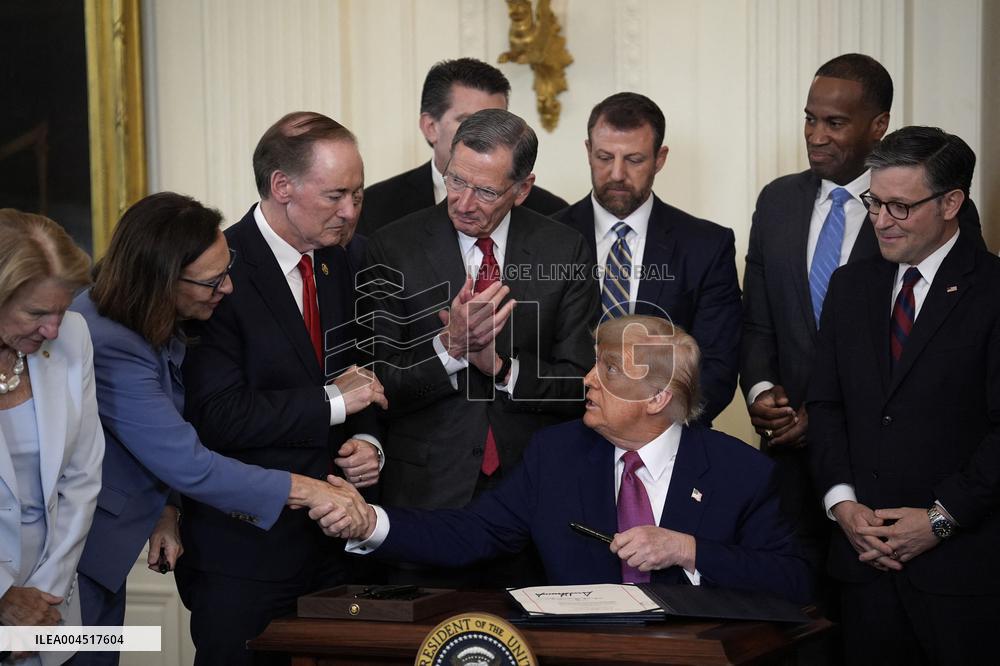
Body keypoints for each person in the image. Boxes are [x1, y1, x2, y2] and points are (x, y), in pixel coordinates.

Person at [313, 316, 810, 604]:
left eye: (609, 371)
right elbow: (469, 533)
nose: (588, 380)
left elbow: (793, 579)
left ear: (657, 398)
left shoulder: (740, 472)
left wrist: (689, 550)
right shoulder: (556, 454)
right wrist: (368, 524)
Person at [66, 192, 366, 666]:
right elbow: (188, 461)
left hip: (105, 556)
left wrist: (166, 509)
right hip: (71, 565)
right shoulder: (110, 343)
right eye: (213, 281)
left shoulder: (144, 316)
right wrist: (307, 491)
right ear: (162, 280)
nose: (228, 289)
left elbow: (148, 437)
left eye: (229, 269)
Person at [740, 54, 985, 581]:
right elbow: (761, 323)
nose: (817, 135)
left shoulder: (964, 258)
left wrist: (940, 519)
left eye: (835, 122)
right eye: (810, 119)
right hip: (819, 490)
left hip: (931, 522)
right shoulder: (787, 210)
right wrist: (765, 393)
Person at [178, 113, 387, 665]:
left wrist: (369, 442)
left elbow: (359, 374)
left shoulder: (347, 259)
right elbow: (218, 415)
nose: (350, 211)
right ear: (282, 187)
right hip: (244, 556)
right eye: (337, 194)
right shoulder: (216, 269)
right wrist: (336, 403)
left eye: (358, 193)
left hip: (335, 551)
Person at [361, 108, 596, 586]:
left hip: (531, 496)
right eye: (455, 181)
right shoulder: (393, 246)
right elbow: (378, 378)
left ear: (522, 188)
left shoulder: (563, 248)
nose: (463, 202)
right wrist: (450, 346)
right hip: (425, 497)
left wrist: (503, 369)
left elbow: (580, 383)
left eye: (486, 191)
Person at [807, 126, 1000, 664]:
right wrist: (841, 503)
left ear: (951, 202)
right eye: (875, 201)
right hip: (862, 568)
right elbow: (825, 406)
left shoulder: (992, 291)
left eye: (900, 206)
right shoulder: (851, 287)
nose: (880, 220)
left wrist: (940, 519)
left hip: (963, 576)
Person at [554, 92, 741, 426]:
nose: (616, 174)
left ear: (660, 158)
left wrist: (650, 430)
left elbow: (717, 366)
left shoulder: (706, 246)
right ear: (588, 152)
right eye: (604, 157)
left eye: (635, 160)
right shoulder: (547, 237)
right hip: (567, 436)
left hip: (670, 442)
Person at [0, 210, 102, 666]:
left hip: (49, 602)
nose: (53, 330)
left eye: (62, 309)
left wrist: (44, 594)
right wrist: (4, 597)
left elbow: (83, 476)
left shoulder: (73, 336)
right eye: (37, 312)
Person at [356, 57, 567, 237]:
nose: (487, 136)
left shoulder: (551, 212)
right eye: (468, 121)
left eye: (497, 123)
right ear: (430, 127)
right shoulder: (375, 209)